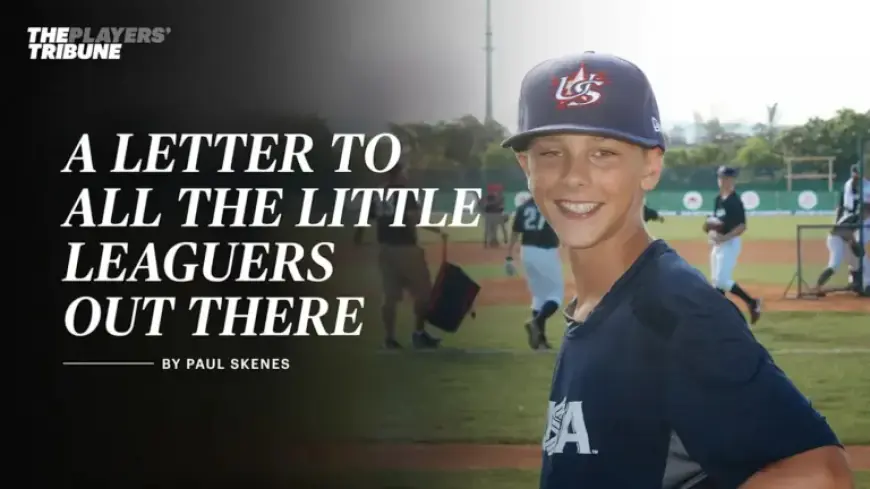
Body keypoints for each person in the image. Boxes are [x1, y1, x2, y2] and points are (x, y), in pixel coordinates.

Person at [502, 51, 852, 489]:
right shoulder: (603, 304)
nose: (574, 176)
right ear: (525, 166)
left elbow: (820, 476)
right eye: (551, 153)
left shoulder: (674, 310)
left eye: (604, 153)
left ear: (651, 165)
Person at [373, 162, 446, 349]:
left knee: (389, 296)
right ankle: (418, 334)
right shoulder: (405, 193)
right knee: (423, 294)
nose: (407, 176)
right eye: (404, 173)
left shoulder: (379, 193)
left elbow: (371, 218)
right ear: (397, 175)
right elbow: (415, 219)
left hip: (385, 248)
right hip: (406, 248)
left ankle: (389, 338)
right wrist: (436, 229)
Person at [505, 195, 562, 350]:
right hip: (546, 251)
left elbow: (515, 233)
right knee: (556, 294)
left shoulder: (523, 208)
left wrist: (509, 257)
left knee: (539, 296)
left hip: (527, 252)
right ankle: (536, 322)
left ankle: (540, 340)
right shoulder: (551, 204)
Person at [707, 166, 763, 324]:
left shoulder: (735, 201)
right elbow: (715, 222)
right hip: (717, 243)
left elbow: (742, 226)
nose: (722, 181)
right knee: (716, 282)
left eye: (725, 178)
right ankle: (720, 316)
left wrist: (725, 238)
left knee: (722, 280)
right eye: (720, 177)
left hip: (730, 243)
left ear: (732, 180)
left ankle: (752, 302)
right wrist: (712, 234)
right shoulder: (718, 199)